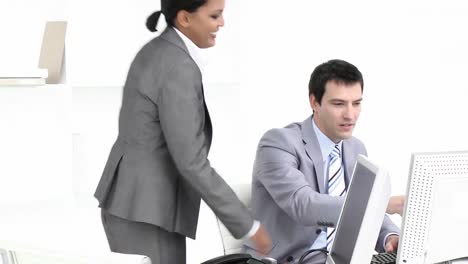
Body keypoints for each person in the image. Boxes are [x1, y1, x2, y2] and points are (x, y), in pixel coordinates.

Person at [93, 0, 271, 263]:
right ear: (185, 19)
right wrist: (248, 226)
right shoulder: (178, 67)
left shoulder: (160, 51)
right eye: (215, 16)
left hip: (138, 204)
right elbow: (191, 162)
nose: (222, 23)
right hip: (146, 209)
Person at [243, 59, 404, 263]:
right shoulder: (278, 143)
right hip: (288, 259)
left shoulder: (356, 148)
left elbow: (360, 211)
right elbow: (303, 205)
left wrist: (390, 236)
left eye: (356, 103)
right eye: (338, 104)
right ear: (314, 102)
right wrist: (381, 204)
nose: (350, 115)